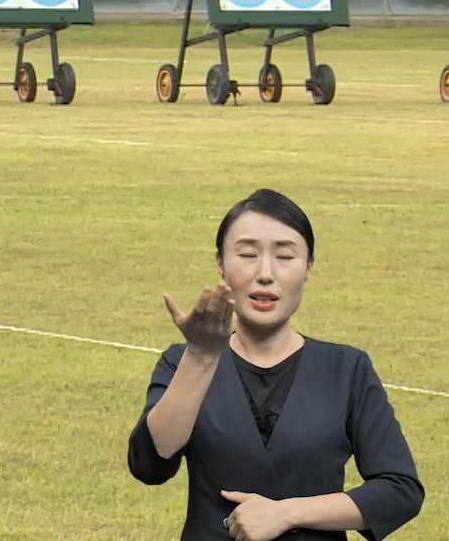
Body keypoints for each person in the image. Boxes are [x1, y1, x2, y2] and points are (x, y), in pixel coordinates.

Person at [128, 189, 422, 541]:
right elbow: (149, 464)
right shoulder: (182, 361)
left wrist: (288, 512)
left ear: (309, 267)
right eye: (248, 254)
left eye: (285, 257)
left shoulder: (347, 369)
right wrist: (201, 356)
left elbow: (399, 489)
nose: (265, 273)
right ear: (221, 262)